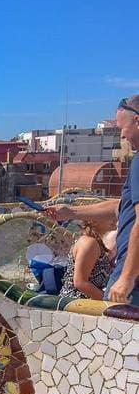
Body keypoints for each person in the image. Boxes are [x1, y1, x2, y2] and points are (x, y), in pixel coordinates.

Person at [45, 95, 139, 305]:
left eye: (122, 129)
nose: (122, 137)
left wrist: (127, 277)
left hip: (132, 280)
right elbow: (121, 206)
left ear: (137, 121)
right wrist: (71, 212)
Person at [59, 219, 115, 300]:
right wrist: (107, 301)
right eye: (110, 216)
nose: (115, 219)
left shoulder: (95, 243)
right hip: (77, 304)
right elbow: (80, 282)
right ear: (94, 220)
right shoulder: (89, 242)